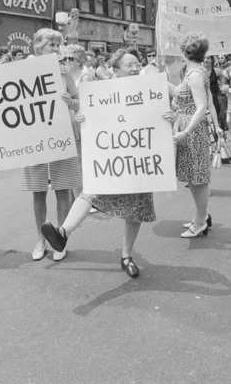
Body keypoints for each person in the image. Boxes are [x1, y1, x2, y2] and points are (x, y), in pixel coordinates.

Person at [41, 47, 156, 277]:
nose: (135, 68)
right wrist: (80, 114)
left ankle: (126, 255)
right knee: (91, 192)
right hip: (111, 156)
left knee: (135, 209)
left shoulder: (150, 90)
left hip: (137, 157)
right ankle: (62, 233)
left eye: (137, 64)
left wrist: (167, 117)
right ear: (115, 70)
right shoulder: (103, 92)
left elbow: (159, 116)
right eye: (129, 65)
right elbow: (89, 116)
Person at [20, 29, 81, 261]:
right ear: (37, 46)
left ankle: (60, 239)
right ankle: (40, 239)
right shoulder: (21, 72)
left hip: (60, 135)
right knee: (38, 191)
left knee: (63, 188)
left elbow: (78, 102)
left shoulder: (64, 73)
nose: (56, 49)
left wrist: (71, 102)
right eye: (51, 45)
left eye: (58, 45)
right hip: (34, 137)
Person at [170, 36, 213, 238]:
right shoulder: (194, 72)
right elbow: (180, 92)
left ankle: (201, 220)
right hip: (188, 127)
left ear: (183, 53)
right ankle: (201, 216)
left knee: (197, 179)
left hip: (192, 130)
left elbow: (201, 106)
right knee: (193, 178)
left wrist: (186, 131)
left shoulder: (195, 74)